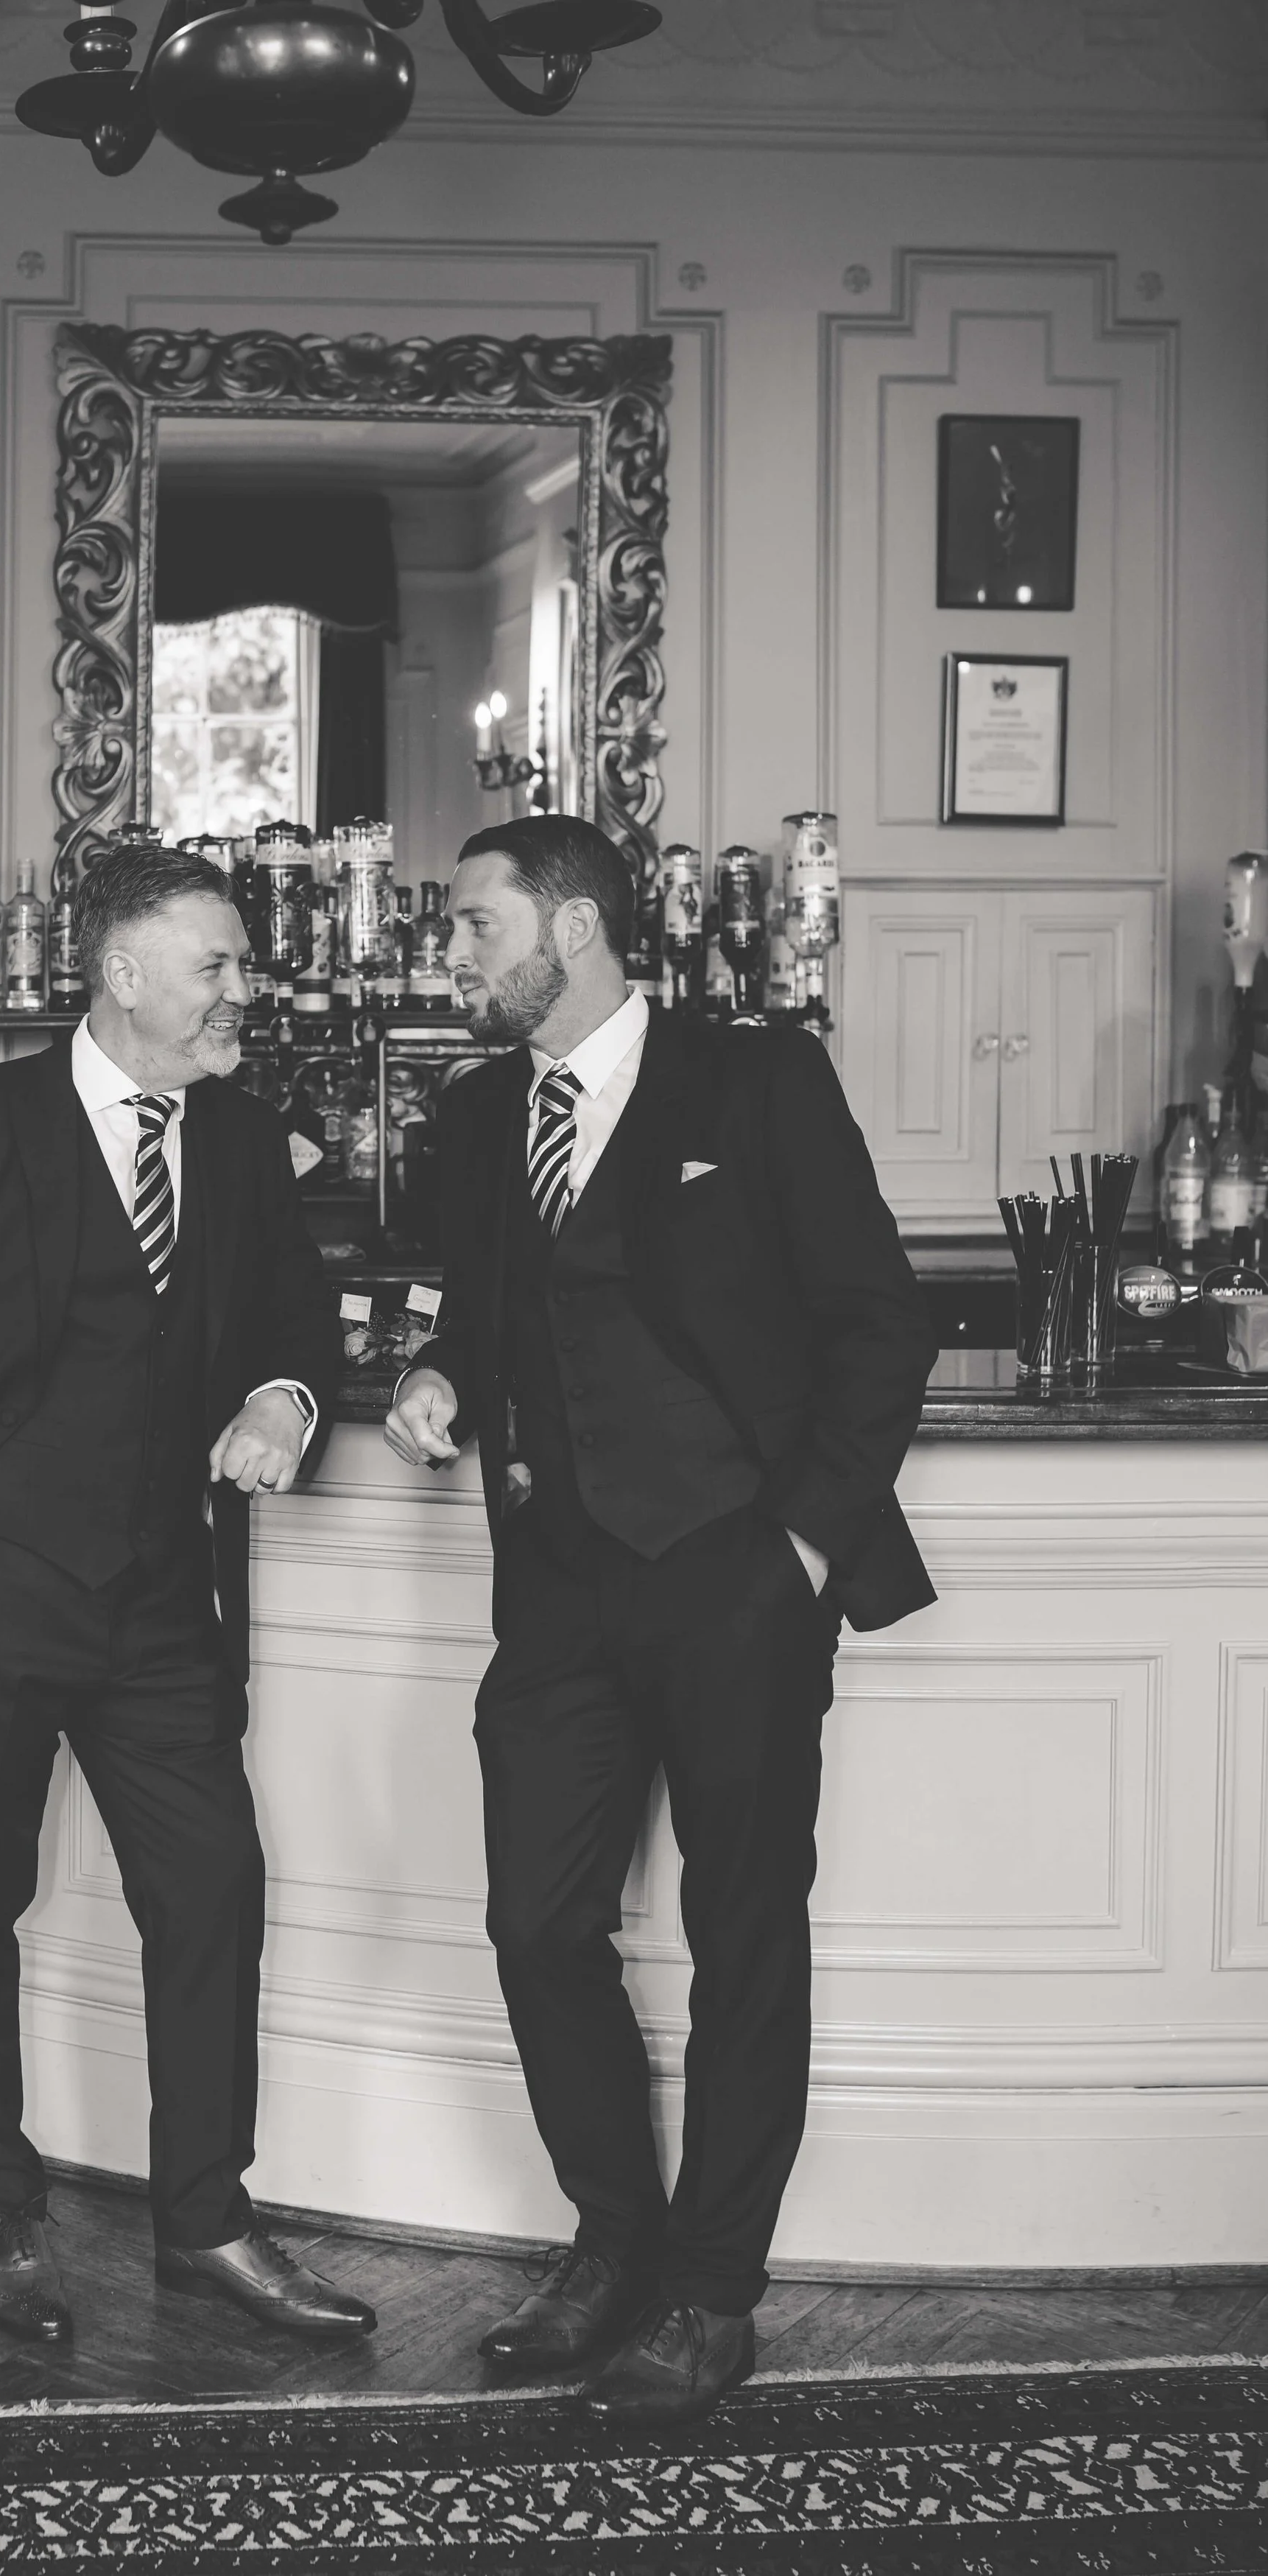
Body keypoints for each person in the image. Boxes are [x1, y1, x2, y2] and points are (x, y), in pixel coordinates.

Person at [384, 815, 936, 2428]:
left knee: (744, 1935)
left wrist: (801, 1549)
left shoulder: (755, 1082)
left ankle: (711, 2287)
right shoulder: (476, 1112)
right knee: (535, 1925)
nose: (450, 953)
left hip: (734, 1577)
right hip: (558, 1587)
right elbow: (480, 1315)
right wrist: (437, 1375)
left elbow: (878, 1323)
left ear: (572, 927)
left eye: (475, 925)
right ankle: (612, 2238)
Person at [0, 844, 374, 2348]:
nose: (244, 989)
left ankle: (208, 2220)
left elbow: (299, 1323)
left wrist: (285, 1400)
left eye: (241, 963)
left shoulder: (242, 1138)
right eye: (216, 965)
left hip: (164, 1600)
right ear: (122, 970)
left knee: (212, 1893)